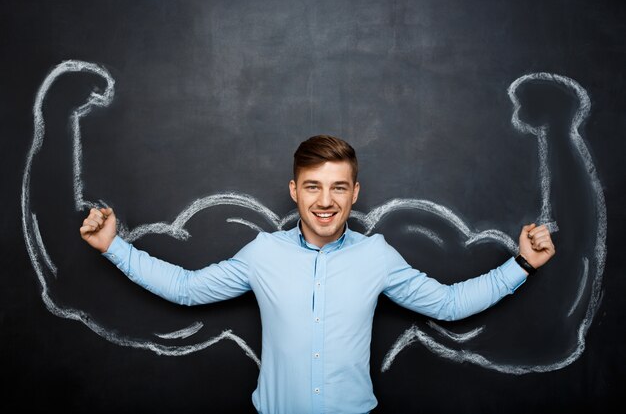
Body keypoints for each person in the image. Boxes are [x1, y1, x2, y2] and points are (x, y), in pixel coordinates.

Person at [79, 134, 555, 414]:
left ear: (354, 193)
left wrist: (522, 265)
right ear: (294, 190)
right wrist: (114, 247)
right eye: (313, 187)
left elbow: (449, 305)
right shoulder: (262, 253)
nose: (325, 201)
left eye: (337, 188)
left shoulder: (377, 256)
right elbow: (185, 289)